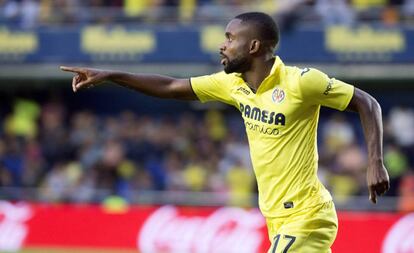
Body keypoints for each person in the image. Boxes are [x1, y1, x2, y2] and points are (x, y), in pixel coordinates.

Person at [60, 12, 390, 253]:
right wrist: (111, 74)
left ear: (255, 46)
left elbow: (368, 102)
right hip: (275, 217)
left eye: (231, 38)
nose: (223, 45)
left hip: (306, 215)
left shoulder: (301, 82)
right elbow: (172, 86)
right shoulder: (232, 84)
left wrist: (374, 161)